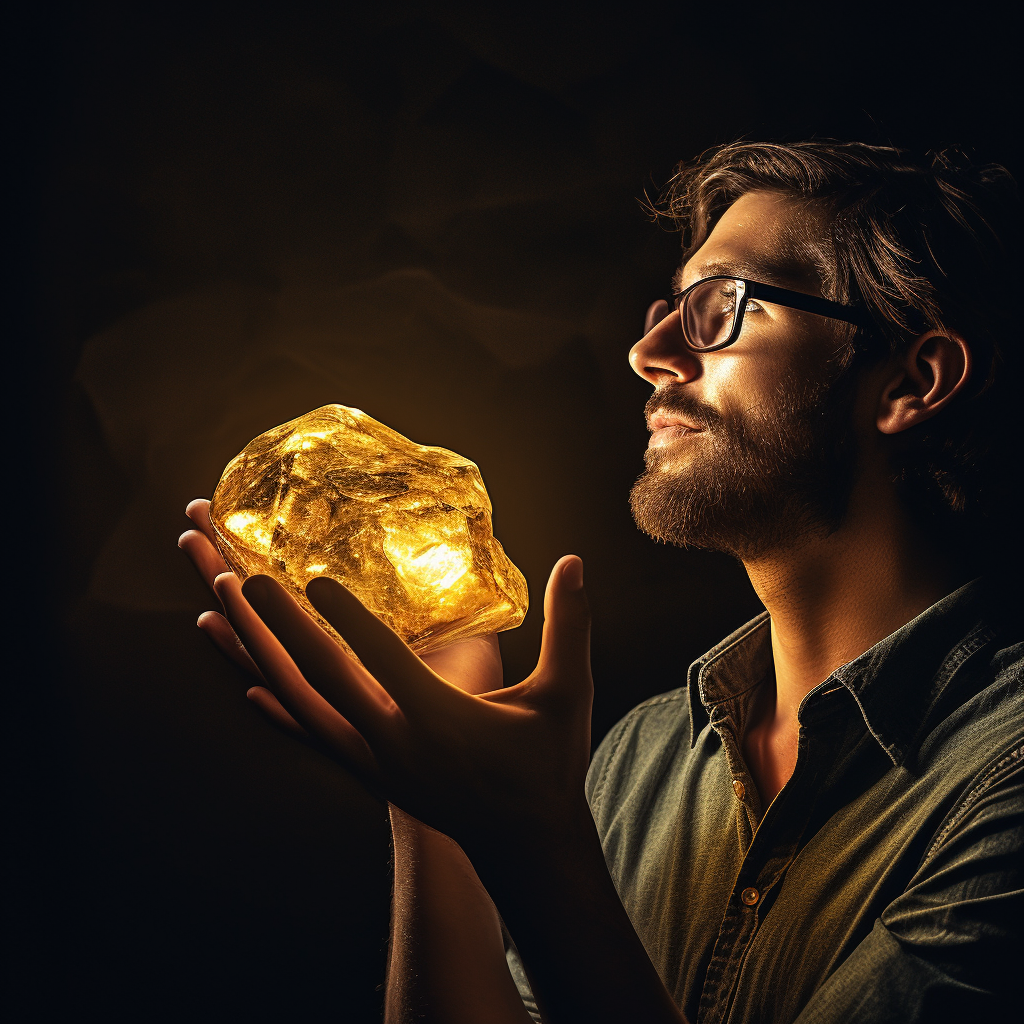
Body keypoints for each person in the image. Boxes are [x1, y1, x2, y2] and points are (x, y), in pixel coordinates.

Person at [179, 140, 1023, 1023]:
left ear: (912, 381)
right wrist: (435, 793)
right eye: (669, 307)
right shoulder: (641, 760)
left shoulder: (1003, 777)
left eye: (718, 307)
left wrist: (533, 840)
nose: (647, 353)